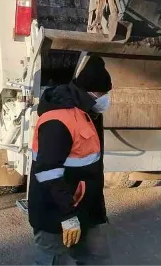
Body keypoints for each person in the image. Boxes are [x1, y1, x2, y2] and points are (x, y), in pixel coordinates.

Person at [29, 55, 114, 265]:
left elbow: (91, 166)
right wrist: (67, 216)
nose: (105, 99)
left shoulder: (89, 113)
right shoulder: (58, 120)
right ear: (90, 92)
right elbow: (48, 171)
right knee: (54, 260)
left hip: (85, 211)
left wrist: (97, 211)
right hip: (56, 212)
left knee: (96, 258)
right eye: (103, 94)